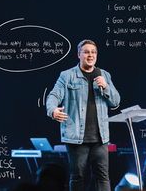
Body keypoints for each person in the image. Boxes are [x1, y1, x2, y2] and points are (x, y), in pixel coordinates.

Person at [46, 39, 120, 191]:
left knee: (103, 177)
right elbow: (53, 95)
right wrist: (52, 110)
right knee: (77, 176)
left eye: (93, 52)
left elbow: (116, 102)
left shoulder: (104, 75)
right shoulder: (67, 76)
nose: (90, 55)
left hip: (100, 137)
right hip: (76, 138)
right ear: (78, 54)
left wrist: (105, 86)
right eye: (86, 52)